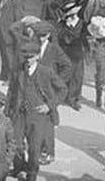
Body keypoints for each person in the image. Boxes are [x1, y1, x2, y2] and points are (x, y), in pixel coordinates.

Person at [7, 42, 67, 181]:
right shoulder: (18, 70)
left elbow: (62, 89)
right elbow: (11, 92)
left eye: (31, 57)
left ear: (37, 57)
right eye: (25, 56)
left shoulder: (46, 72)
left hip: (38, 116)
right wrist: (7, 112)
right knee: (15, 143)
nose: (28, 59)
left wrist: (49, 105)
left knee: (34, 146)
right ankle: (18, 167)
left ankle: (32, 173)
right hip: (19, 114)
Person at [34, 21, 72, 165]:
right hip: (34, 87)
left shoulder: (54, 49)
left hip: (49, 90)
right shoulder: (33, 46)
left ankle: (48, 151)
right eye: (38, 35)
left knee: (48, 122)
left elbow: (67, 66)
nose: (40, 38)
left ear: (49, 35)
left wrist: (57, 82)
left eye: (43, 36)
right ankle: (38, 148)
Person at [56, 2, 87, 110]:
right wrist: (66, 28)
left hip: (77, 53)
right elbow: (61, 37)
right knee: (64, 74)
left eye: (71, 14)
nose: (70, 17)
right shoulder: (62, 24)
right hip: (64, 52)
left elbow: (85, 38)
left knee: (77, 76)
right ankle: (61, 96)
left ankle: (73, 99)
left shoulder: (83, 24)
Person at [0, 0, 23, 82]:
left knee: (10, 56)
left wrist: (15, 34)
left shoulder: (16, 0)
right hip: (0, 29)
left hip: (9, 32)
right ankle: (4, 74)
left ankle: (10, 79)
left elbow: (18, 19)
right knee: (3, 53)